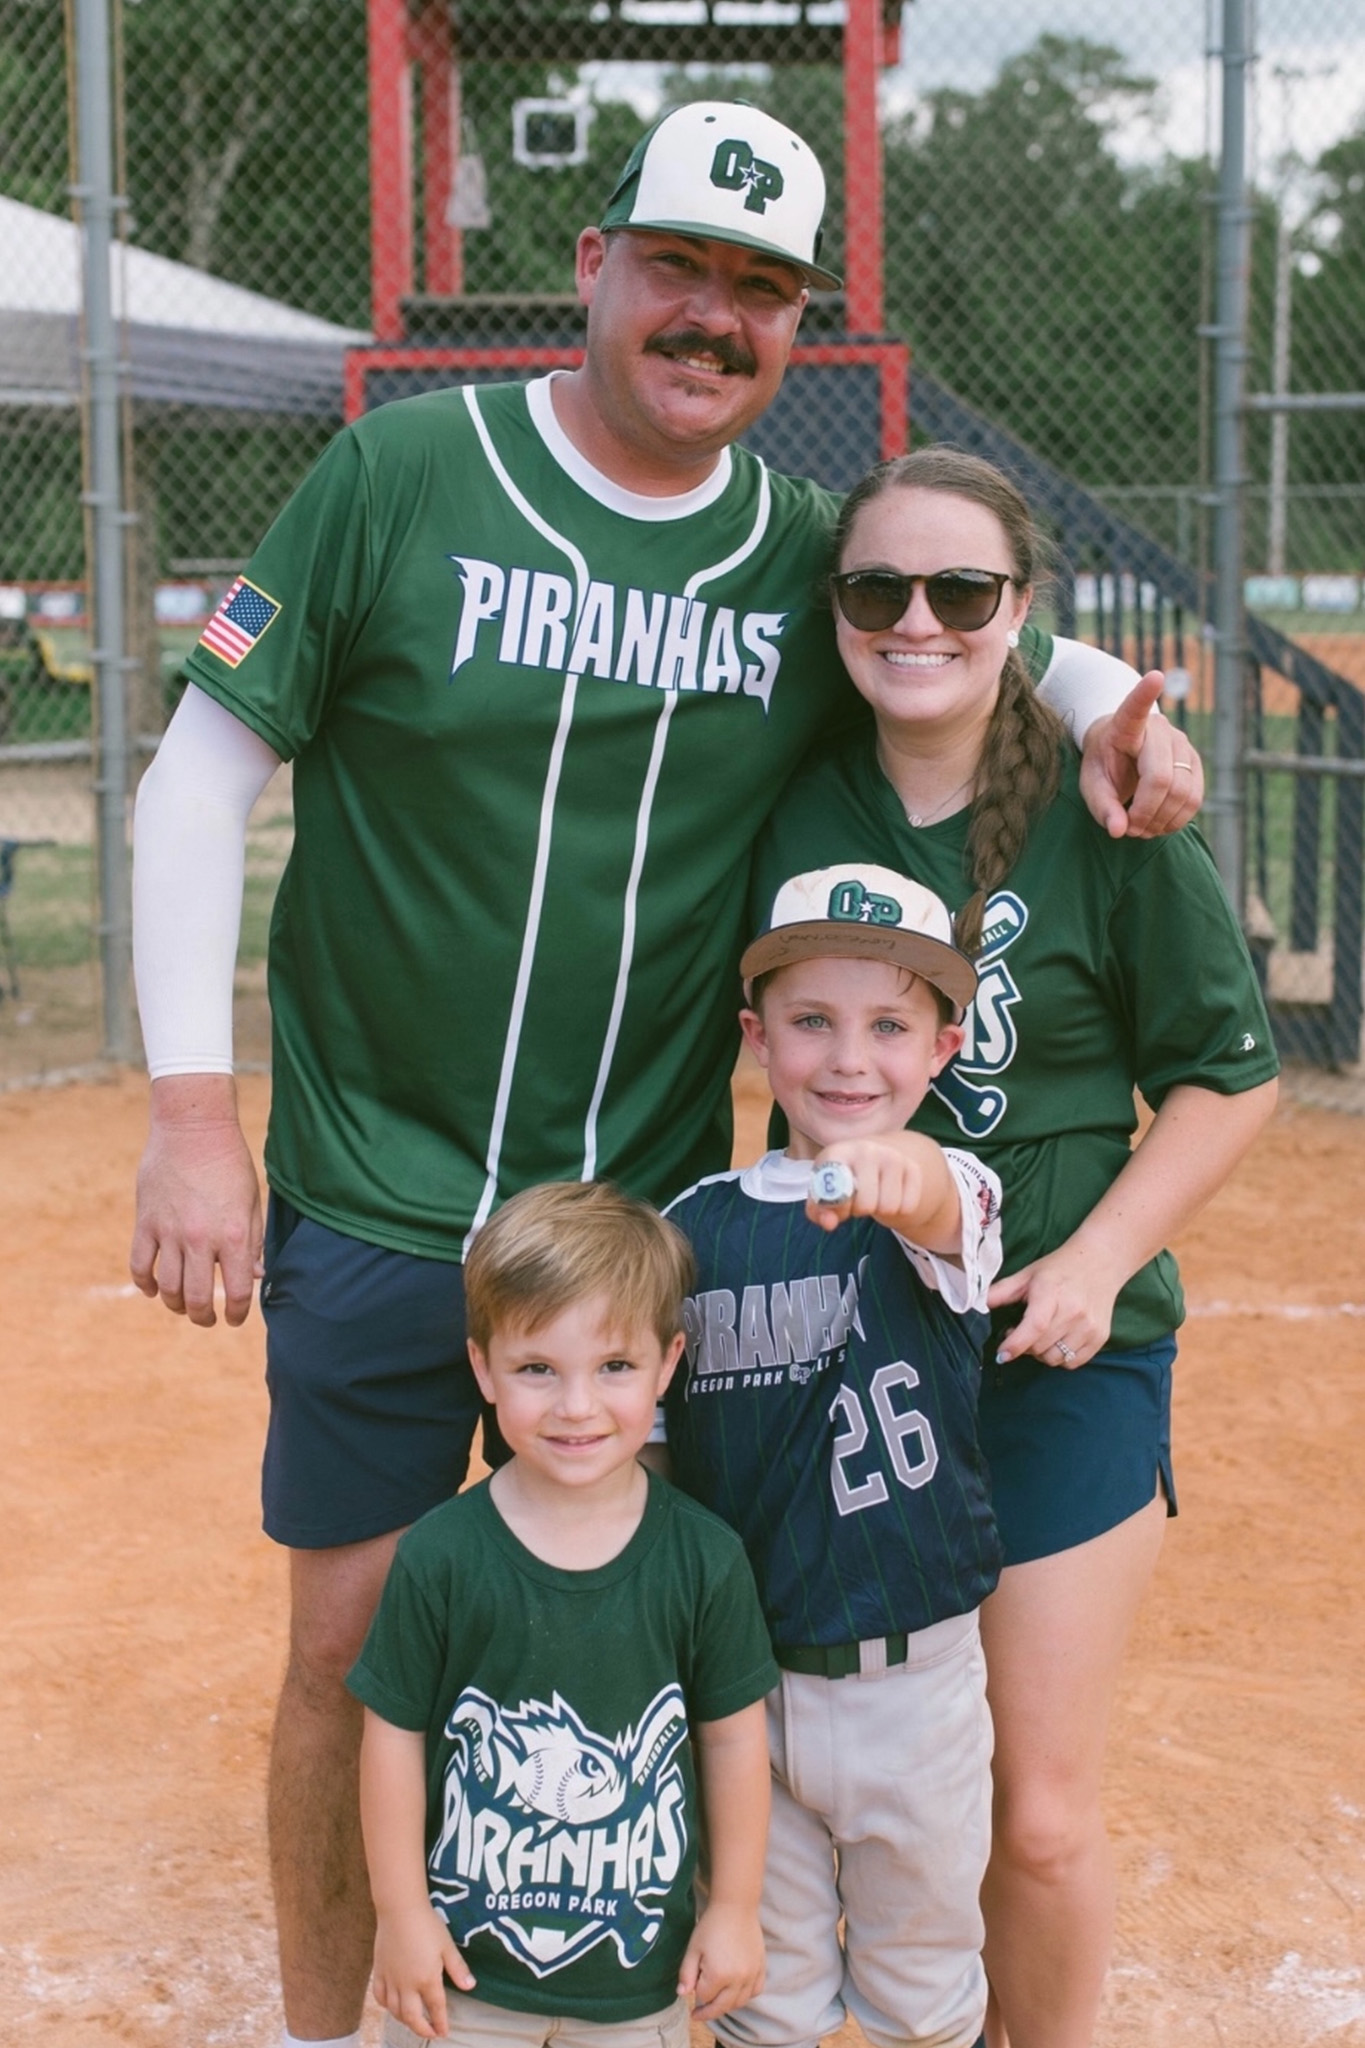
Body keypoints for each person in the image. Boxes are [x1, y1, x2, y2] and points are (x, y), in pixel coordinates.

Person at [126, 101, 1205, 2048]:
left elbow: (951, 606)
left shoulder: (792, 552)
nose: (711, 315)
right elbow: (199, 775)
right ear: (593, 264)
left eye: (758, 290)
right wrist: (195, 1117)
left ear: (795, 325)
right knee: (350, 1656)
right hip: (377, 1191)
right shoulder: (400, 472)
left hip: (643, 1225)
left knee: (639, 1653)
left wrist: (1107, 699)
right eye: (678, 267)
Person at [750, 446, 1281, 2048]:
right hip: (842, 1351)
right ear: (836, 610)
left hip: (1057, 1348)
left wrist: (1102, 1259)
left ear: (1020, 612)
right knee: (825, 1784)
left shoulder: (1104, 802)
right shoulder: (784, 790)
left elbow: (1228, 1077)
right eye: (876, 587)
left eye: (960, 589)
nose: (916, 620)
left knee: (1032, 1813)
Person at [662, 861, 1004, 2048]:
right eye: (812, 1020)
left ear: (944, 1048)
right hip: (746, 1693)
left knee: (924, 1996)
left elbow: (929, 1192)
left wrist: (884, 1173)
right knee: (763, 1998)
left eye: (890, 1027)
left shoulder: (952, 1196)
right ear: (757, 1038)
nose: (851, 1059)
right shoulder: (692, 1226)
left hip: (917, 1688)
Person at [347, 1180, 776, 2048]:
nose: (576, 1406)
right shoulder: (440, 1554)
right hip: (462, 1983)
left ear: (667, 1363)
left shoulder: (704, 1557)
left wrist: (733, 1907)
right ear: (483, 1368)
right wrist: (401, 1913)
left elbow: (732, 1741)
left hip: (637, 1982)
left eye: (614, 1367)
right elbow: (392, 1737)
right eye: (537, 1369)